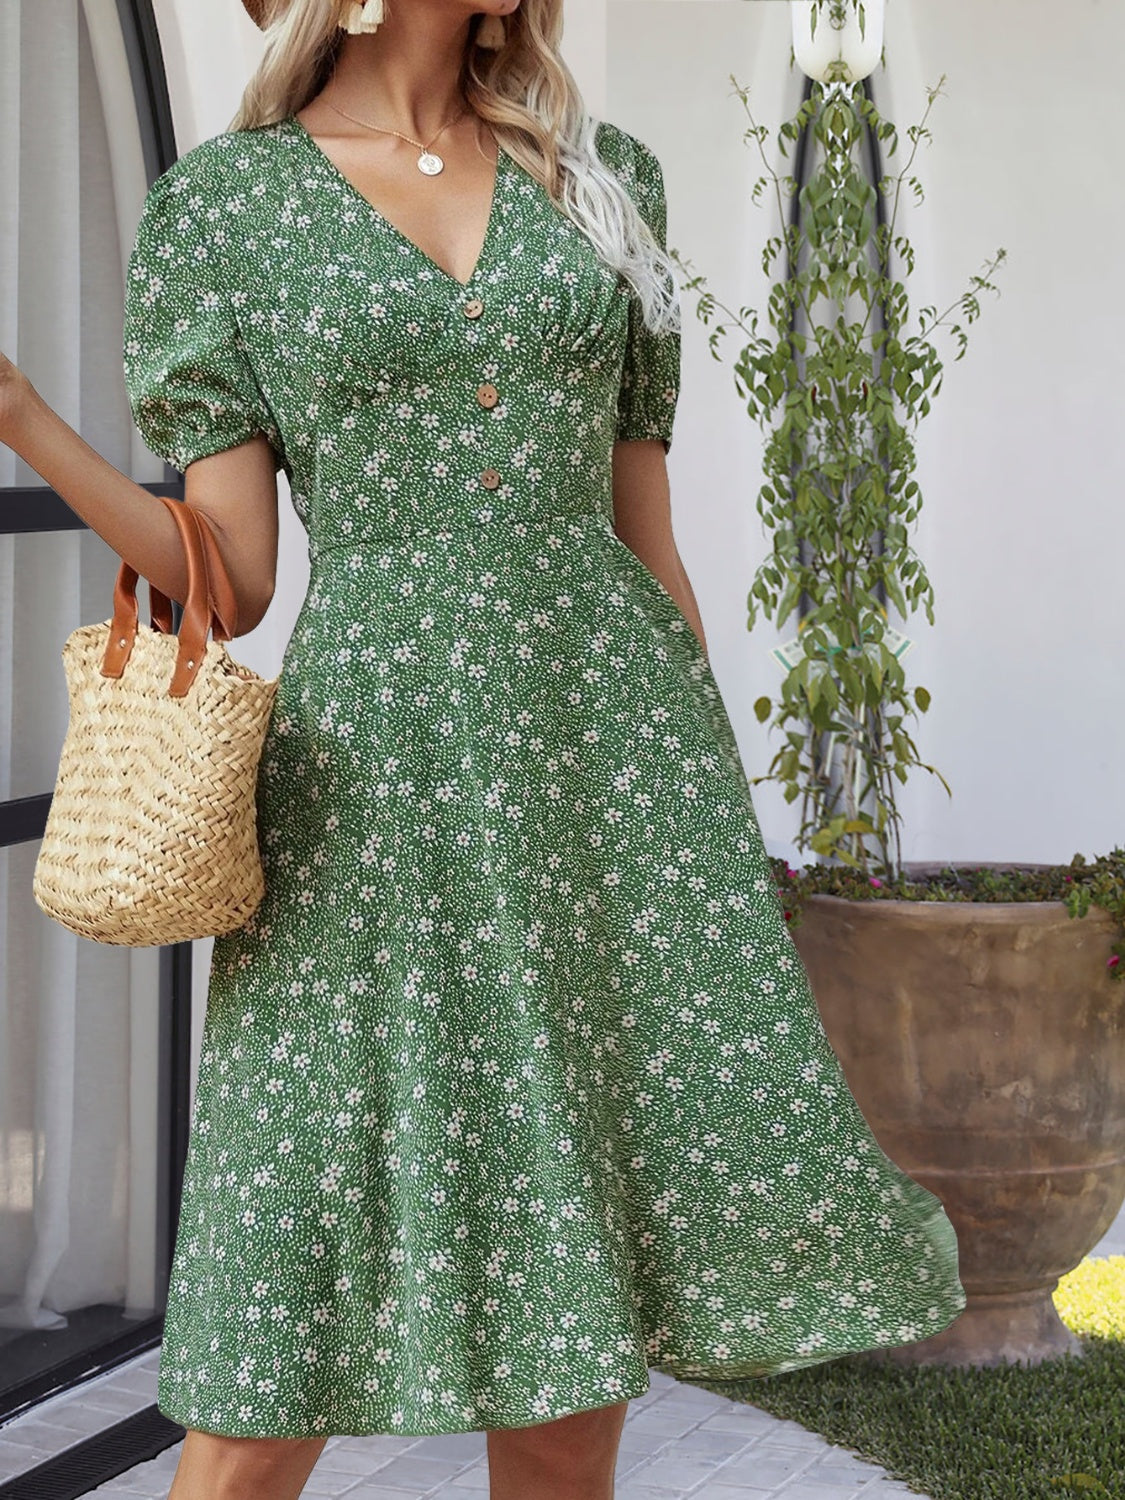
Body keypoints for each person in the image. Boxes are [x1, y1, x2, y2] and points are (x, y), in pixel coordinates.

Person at [0, 0, 966, 1494]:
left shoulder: (603, 179)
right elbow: (229, 581)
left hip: (608, 772)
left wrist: (703, 806)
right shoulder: (227, 205)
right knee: (274, 1333)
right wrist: (25, 420)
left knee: (575, 1375)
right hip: (368, 784)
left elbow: (646, 536)